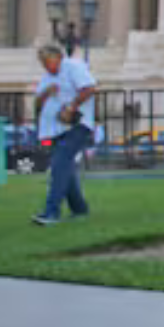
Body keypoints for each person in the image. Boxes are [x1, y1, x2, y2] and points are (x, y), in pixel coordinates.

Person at [31, 44, 96, 226]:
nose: (46, 66)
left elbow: (89, 88)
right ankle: (79, 209)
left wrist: (72, 106)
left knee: (59, 166)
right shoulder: (47, 77)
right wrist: (46, 93)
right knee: (65, 168)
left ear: (59, 57)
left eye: (48, 61)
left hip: (77, 125)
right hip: (54, 129)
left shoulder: (73, 67)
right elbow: (37, 103)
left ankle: (51, 213)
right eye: (43, 63)